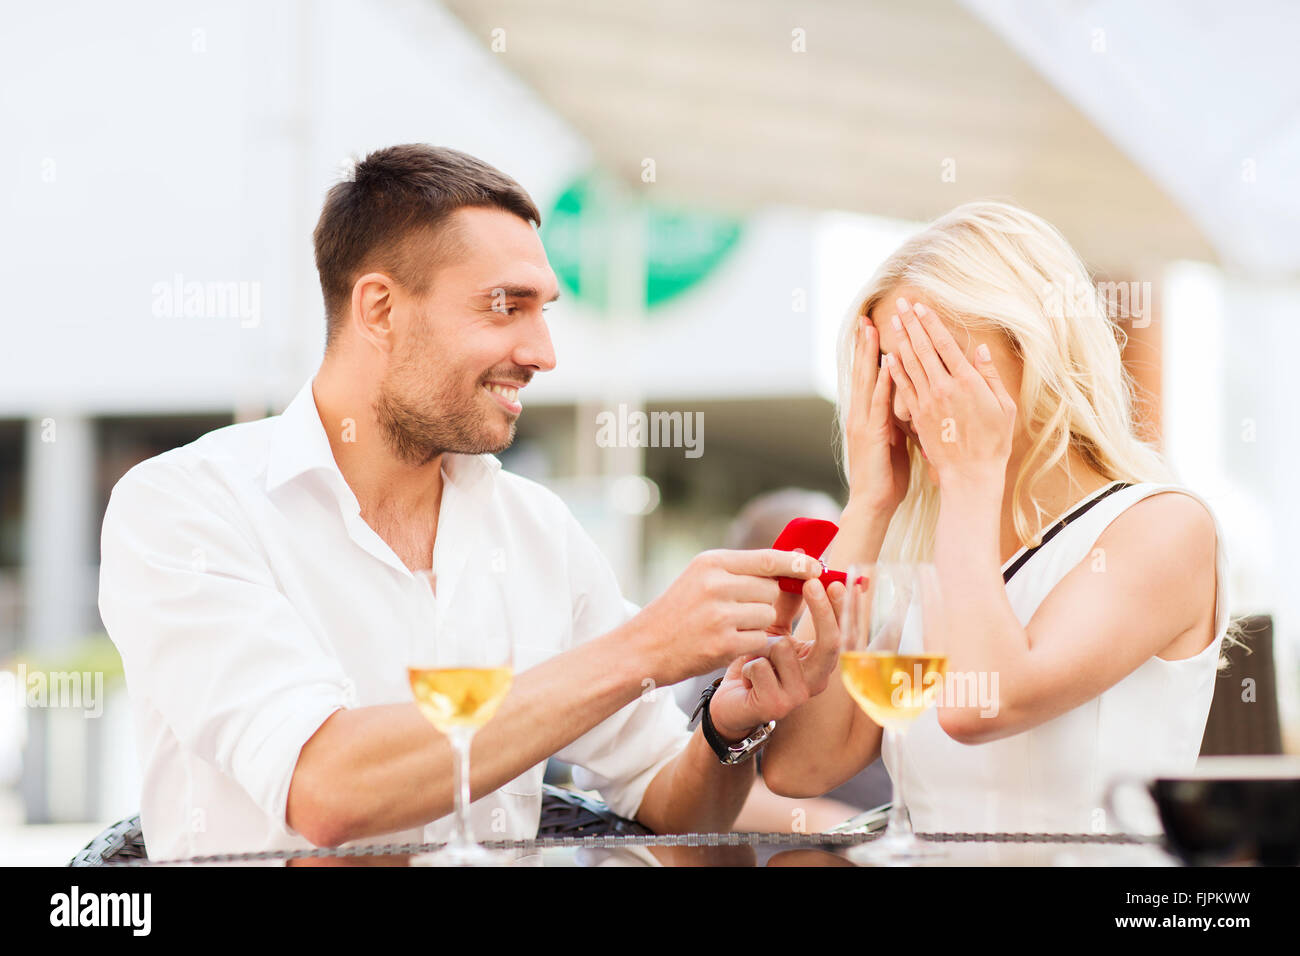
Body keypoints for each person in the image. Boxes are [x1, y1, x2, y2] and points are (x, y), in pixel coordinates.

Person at [97, 144, 836, 859]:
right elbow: (326, 791)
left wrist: (727, 728)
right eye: (505, 308)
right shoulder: (185, 509)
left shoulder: (537, 528)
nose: (543, 352)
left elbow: (670, 808)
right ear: (380, 309)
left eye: (544, 310)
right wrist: (646, 649)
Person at [719, 200, 1242, 833]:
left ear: (1036, 349)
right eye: (893, 367)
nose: (914, 399)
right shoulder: (948, 561)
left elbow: (982, 703)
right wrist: (869, 503)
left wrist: (969, 476)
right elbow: (801, 768)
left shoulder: (1163, 527)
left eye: (935, 362)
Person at [673, 488, 890, 832]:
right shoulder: (737, 657)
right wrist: (832, 824)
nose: (846, 571)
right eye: (828, 560)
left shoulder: (869, 646)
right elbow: (687, 785)